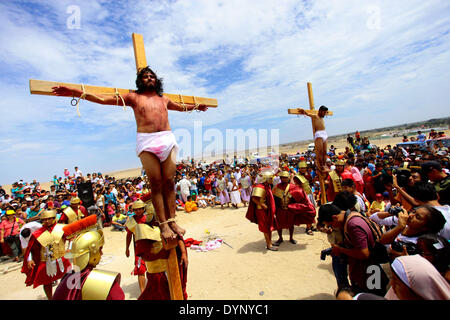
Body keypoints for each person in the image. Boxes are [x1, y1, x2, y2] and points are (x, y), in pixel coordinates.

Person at [52, 66, 209, 242]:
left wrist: (196, 107)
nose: (149, 78)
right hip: (147, 142)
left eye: (152, 76)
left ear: (156, 80)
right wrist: (75, 91)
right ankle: (163, 224)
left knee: (170, 183)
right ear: (139, 81)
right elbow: (104, 99)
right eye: (145, 76)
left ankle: (172, 220)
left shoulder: (163, 99)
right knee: (156, 184)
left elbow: (181, 107)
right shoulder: (133, 97)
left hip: (168, 140)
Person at [318, 203, 391, 295]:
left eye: (330, 224)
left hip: (370, 271)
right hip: (368, 270)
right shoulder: (352, 215)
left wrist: (340, 250)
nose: (332, 227)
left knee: (371, 295)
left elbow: (364, 254)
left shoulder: (352, 225)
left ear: (334, 218)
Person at [53, 218, 125, 300]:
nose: (102, 253)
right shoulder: (102, 282)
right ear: (92, 253)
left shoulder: (66, 278)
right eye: (100, 249)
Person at [21, 210, 72, 300]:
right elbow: (30, 248)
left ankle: (66, 296)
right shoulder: (37, 233)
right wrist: (30, 259)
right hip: (46, 261)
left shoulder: (61, 228)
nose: (46, 221)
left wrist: (69, 248)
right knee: (47, 283)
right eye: (44, 220)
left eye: (49, 219)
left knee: (67, 279)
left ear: (53, 218)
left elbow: (71, 238)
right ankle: (50, 298)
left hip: (62, 259)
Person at [273, 171, 316, 245]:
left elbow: (300, 197)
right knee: (279, 225)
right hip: (280, 209)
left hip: (290, 209)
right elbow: (273, 198)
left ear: (288, 178)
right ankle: (280, 238)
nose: (283, 179)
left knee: (291, 224)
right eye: (282, 178)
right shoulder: (276, 187)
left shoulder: (293, 187)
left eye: (285, 178)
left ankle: (291, 238)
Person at [245, 171, 278, 251]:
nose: (272, 180)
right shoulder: (260, 187)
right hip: (261, 210)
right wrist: (262, 204)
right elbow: (254, 198)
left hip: (267, 210)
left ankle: (270, 242)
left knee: (269, 226)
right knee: (265, 227)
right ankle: (269, 245)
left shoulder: (268, 186)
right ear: (266, 179)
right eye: (270, 178)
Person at [297, 105, 330, 174]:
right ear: (320, 111)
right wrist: (303, 111)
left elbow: (328, 113)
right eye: (324, 112)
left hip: (324, 133)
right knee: (320, 152)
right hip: (319, 134)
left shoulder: (322, 117)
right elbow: (308, 114)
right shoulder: (316, 116)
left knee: (324, 152)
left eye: (325, 112)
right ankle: (321, 166)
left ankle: (324, 165)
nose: (324, 114)